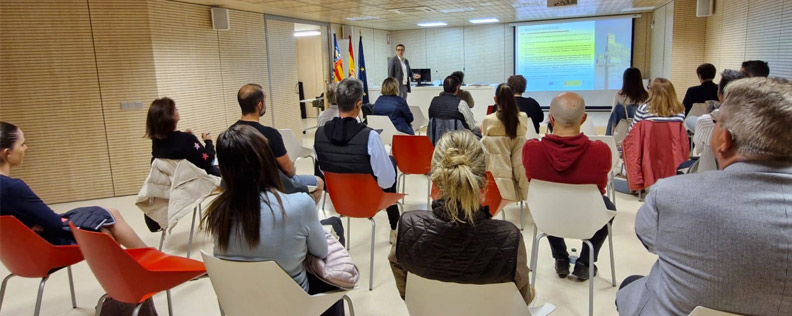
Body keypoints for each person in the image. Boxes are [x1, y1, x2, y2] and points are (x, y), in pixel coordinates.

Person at [616, 77, 792, 315]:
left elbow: (650, 241)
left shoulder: (671, 194)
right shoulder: (677, 112)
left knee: (632, 284)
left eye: (716, 121)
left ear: (724, 139)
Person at [203, 124, 343, 316]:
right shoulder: (299, 205)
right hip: (295, 305)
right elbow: (321, 251)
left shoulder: (217, 212)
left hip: (242, 306)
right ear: (266, 161)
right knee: (334, 230)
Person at [389, 130, 534, 305]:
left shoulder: (407, 228)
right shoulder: (509, 238)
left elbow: (407, 293)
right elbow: (523, 299)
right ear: (484, 182)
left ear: (435, 182)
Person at [0, 121, 147, 249]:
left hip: (17, 252)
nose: (26, 148)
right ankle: (149, 265)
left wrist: (35, 224)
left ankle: (139, 269)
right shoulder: (12, 187)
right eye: (22, 144)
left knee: (110, 213)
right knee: (103, 229)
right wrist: (41, 223)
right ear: (7, 153)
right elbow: (55, 223)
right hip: (42, 248)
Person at [522, 92, 614, 281]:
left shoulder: (531, 149)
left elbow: (531, 180)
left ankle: (560, 258)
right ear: (585, 118)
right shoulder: (601, 151)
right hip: (587, 217)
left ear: (550, 118)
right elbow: (600, 188)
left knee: (546, 200)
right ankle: (585, 263)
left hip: (547, 217)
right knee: (609, 207)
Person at [313, 78, 400, 242]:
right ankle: (394, 228)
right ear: (359, 105)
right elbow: (387, 182)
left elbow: (323, 170)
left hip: (339, 201)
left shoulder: (319, 135)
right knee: (390, 164)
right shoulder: (370, 136)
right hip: (368, 201)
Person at [231, 84, 324, 202]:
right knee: (319, 182)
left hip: (243, 192)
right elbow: (289, 171)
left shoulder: (228, 136)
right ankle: (302, 214)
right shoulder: (270, 135)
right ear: (259, 105)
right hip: (272, 188)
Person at [480, 83, 529, 202]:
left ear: (495, 99)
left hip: (497, 179)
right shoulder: (522, 117)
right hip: (519, 173)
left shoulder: (489, 120)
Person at [146, 97, 218, 176]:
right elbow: (207, 160)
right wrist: (208, 142)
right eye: (175, 109)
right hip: (195, 184)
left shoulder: (156, 143)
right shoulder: (186, 140)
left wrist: (191, 139)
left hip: (172, 184)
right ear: (170, 116)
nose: (177, 110)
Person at [606, 68, 649, 137]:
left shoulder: (619, 95)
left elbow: (613, 116)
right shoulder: (646, 96)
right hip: (641, 134)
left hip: (622, 134)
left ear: (625, 80)